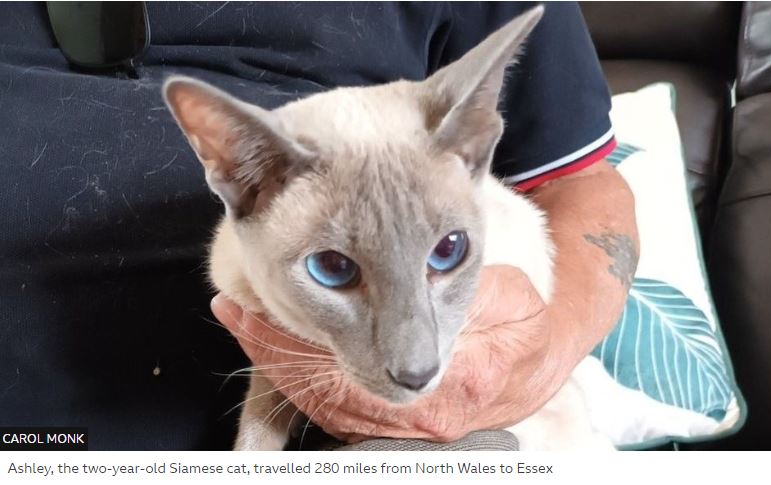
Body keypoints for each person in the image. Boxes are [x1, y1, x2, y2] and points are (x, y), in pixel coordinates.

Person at [0, 2, 637, 450]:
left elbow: (578, 181)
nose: (414, 362)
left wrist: (540, 356)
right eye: (335, 270)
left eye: (448, 252)